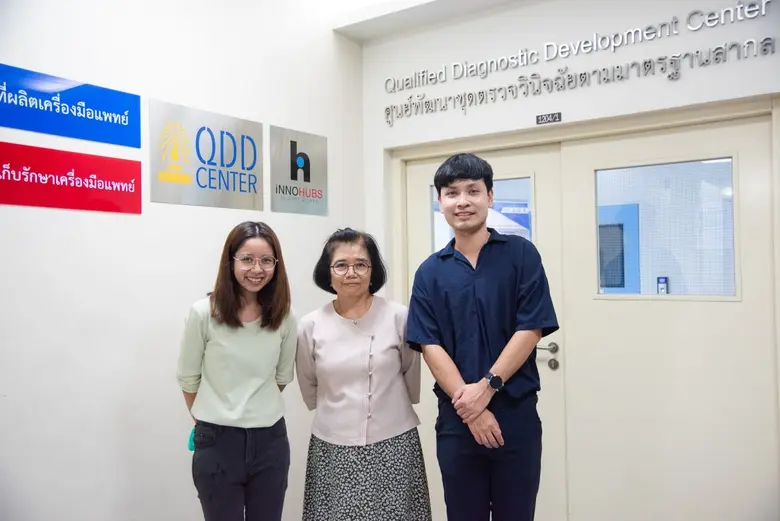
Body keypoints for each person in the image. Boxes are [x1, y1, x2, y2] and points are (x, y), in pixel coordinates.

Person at [406, 153, 559, 521]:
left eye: (473, 191)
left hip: (515, 416)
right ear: (440, 201)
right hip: (457, 420)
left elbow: (531, 328)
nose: (463, 201)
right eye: (452, 193)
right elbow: (429, 344)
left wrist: (487, 388)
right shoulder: (429, 272)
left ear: (490, 196)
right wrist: (470, 408)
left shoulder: (521, 255)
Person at [296, 228, 432, 521]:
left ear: (373, 271)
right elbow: (309, 384)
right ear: (328, 272)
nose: (351, 273)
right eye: (341, 265)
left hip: (394, 443)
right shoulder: (311, 325)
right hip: (332, 447)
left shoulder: (399, 316)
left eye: (361, 264)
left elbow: (410, 372)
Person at [177, 221, 297, 521]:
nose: (257, 269)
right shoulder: (203, 313)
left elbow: (281, 377)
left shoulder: (284, 316)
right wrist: (215, 417)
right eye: (247, 259)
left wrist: (251, 407)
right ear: (230, 262)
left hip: (270, 442)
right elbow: (189, 379)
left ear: (276, 265)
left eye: (266, 260)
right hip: (217, 442)